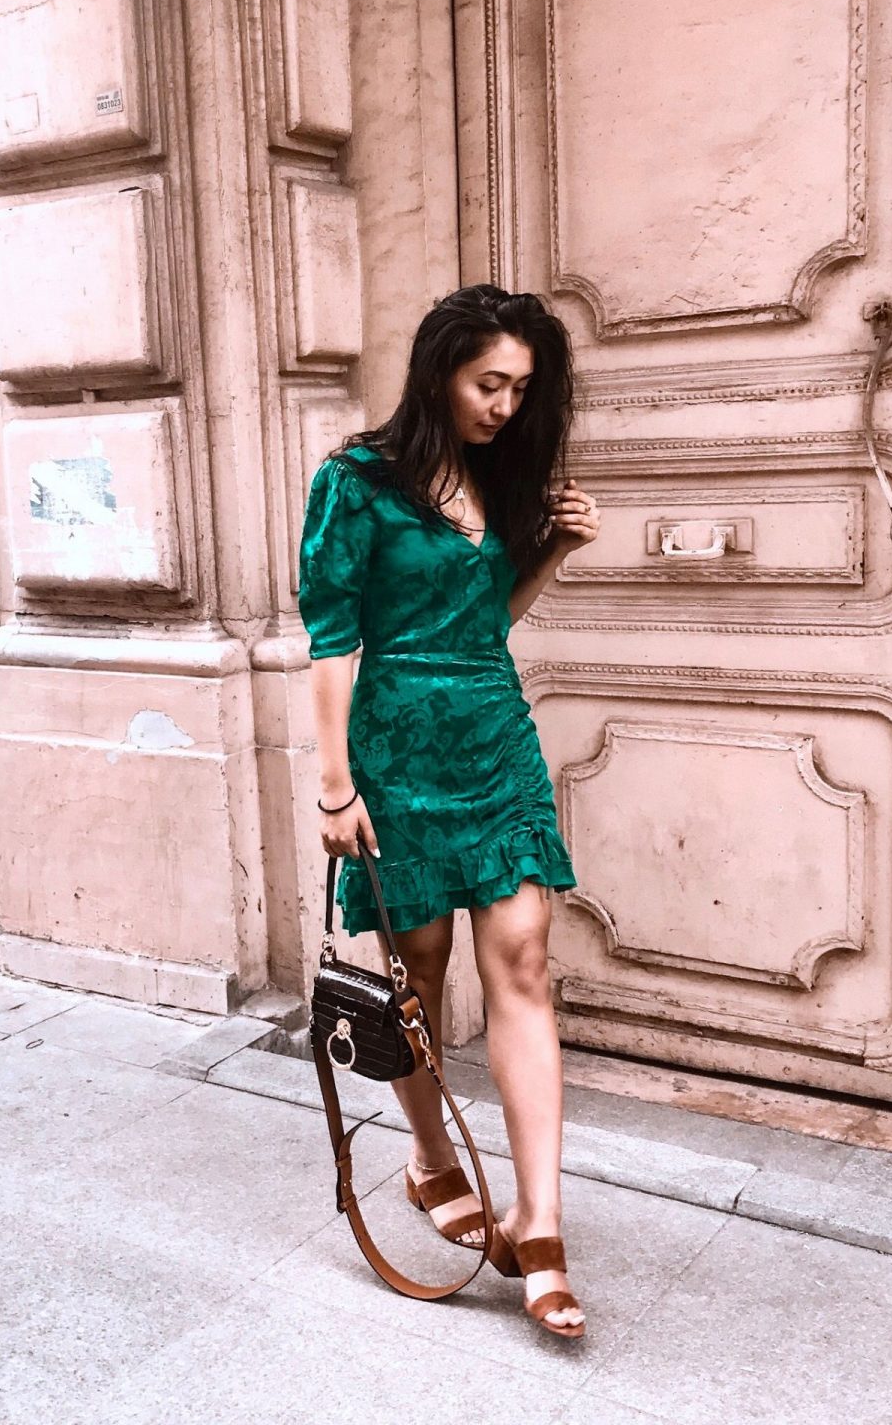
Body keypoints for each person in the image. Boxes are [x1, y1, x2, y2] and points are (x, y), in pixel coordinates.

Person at [297, 283, 602, 1339]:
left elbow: (485, 620)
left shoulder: (496, 478)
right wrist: (335, 783)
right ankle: (430, 1158)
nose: (508, 406)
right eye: (490, 383)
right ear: (439, 373)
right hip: (395, 751)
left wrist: (549, 553)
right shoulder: (358, 482)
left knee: (521, 959)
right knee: (416, 978)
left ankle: (543, 1225)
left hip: (492, 737)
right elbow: (334, 635)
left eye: (523, 388)